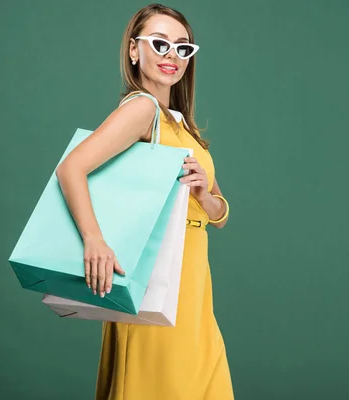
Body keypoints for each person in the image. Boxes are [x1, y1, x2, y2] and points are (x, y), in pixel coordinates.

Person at [54, 3, 234, 399]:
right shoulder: (141, 109)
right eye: (159, 43)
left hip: (193, 288)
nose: (172, 56)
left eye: (183, 48)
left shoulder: (182, 124)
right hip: (156, 281)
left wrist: (204, 193)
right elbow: (72, 169)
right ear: (134, 51)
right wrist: (94, 239)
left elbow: (219, 216)